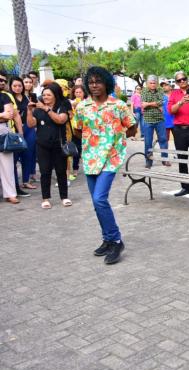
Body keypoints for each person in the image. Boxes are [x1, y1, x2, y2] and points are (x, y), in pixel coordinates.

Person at [74, 66, 137, 265]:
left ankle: (116, 240)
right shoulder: (82, 107)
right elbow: (77, 129)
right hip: (90, 158)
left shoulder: (117, 105)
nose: (94, 86)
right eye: (91, 82)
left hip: (111, 158)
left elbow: (132, 127)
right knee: (96, 202)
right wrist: (93, 140)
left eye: (98, 81)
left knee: (100, 199)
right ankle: (108, 239)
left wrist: (115, 140)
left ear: (106, 83)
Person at [25, 82, 71, 209]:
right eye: (43, 95)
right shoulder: (38, 109)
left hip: (59, 145)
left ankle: (64, 197)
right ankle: (45, 198)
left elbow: (60, 119)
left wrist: (47, 109)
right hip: (42, 145)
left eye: (48, 95)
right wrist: (29, 110)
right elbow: (30, 124)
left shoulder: (61, 106)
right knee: (45, 172)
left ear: (55, 96)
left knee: (61, 172)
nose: (45, 97)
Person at [141, 75, 169, 168]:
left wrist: (148, 104)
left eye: (154, 83)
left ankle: (164, 159)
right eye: (151, 83)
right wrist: (156, 104)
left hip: (159, 119)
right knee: (148, 142)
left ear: (157, 83)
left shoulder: (160, 90)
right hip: (148, 120)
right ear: (147, 83)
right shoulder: (144, 90)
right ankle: (148, 161)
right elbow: (143, 104)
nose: (153, 85)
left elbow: (161, 102)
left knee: (163, 140)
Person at [0, 80, 19, 204]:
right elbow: (4, 114)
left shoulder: (4, 96)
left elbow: (9, 115)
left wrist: (3, 115)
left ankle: (10, 194)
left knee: (7, 163)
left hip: (2, 129)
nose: (1, 82)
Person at [22, 75, 38, 186]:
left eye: (30, 82)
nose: (28, 84)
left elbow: (37, 109)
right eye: (26, 82)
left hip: (32, 126)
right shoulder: (19, 97)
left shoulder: (33, 96)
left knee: (32, 151)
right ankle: (25, 180)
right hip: (22, 126)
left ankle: (32, 174)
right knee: (25, 153)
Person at [69, 84, 87, 179]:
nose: (78, 94)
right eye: (76, 92)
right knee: (76, 149)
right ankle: (75, 168)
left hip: (86, 129)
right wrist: (73, 107)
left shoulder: (88, 103)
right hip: (74, 129)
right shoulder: (70, 103)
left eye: (80, 92)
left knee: (84, 148)